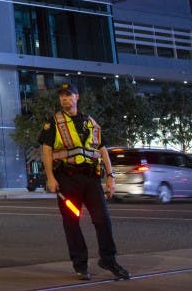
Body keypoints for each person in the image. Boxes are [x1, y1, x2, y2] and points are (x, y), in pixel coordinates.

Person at [39, 83, 131, 281]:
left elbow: (102, 148)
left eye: (69, 95)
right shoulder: (54, 122)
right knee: (72, 223)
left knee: (103, 219)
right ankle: (80, 265)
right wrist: (50, 178)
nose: (65, 99)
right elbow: (46, 150)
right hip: (67, 180)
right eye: (62, 96)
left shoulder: (90, 122)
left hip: (91, 180)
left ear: (77, 97)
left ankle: (109, 259)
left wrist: (110, 176)